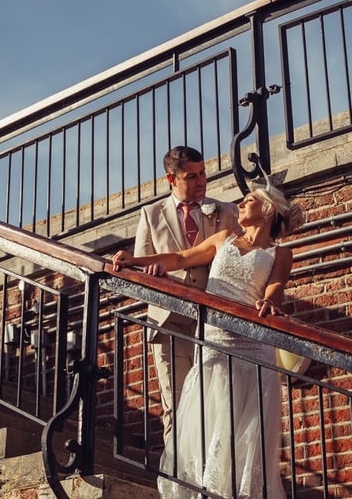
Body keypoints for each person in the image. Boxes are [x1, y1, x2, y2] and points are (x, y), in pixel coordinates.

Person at [114, 184, 304, 498]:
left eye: (249, 200)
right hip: (215, 341)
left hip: (252, 347)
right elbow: (181, 257)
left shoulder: (280, 253)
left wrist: (270, 302)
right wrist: (134, 260)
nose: (240, 203)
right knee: (210, 422)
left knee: (245, 432)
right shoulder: (223, 239)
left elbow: (276, 285)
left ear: (268, 210)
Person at [133, 146, 241, 450]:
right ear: (172, 178)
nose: (201, 181)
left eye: (203, 173)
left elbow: (243, 257)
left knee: (216, 404)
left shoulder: (227, 212)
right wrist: (153, 273)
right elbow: (139, 270)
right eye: (191, 177)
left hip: (215, 322)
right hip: (169, 322)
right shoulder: (150, 215)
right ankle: (177, 474)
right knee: (176, 405)